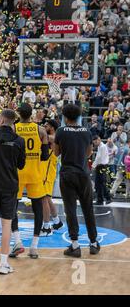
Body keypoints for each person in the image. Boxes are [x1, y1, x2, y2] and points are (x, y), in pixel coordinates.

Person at [54, 104, 100, 258]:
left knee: (70, 210)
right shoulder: (86, 131)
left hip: (67, 174)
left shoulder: (60, 131)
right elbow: (88, 153)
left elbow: (55, 153)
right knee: (88, 209)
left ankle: (75, 245)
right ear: (79, 116)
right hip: (83, 174)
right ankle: (93, 243)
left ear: (65, 117)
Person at [0, 109, 26, 274]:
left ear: (0, 120)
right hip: (9, 186)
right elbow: (21, 165)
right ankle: (4, 264)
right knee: (6, 224)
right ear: (13, 123)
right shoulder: (19, 140)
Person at [10, 103, 49, 259]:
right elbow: (45, 156)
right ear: (31, 114)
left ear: (19, 114)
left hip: (17, 174)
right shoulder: (40, 130)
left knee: (12, 207)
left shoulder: (13, 129)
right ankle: (34, 246)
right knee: (37, 209)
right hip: (35, 174)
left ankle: (18, 242)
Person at [40, 119, 63, 236]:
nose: (44, 126)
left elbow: (51, 139)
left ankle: (46, 227)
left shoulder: (54, 137)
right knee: (47, 199)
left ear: (52, 127)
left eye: (47, 125)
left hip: (48, 170)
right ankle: (57, 221)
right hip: (45, 170)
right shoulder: (48, 135)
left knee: (44, 198)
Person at [92, 136, 112, 205]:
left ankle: (107, 198)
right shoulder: (100, 146)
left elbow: (98, 157)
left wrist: (93, 166)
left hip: (101, 166)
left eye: (95, 142)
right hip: (101, 166)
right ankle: (100, 200)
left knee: (101, 183)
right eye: (94, 143)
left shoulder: (102, 147)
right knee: (98, 184)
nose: (95, 144)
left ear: (98, 139)